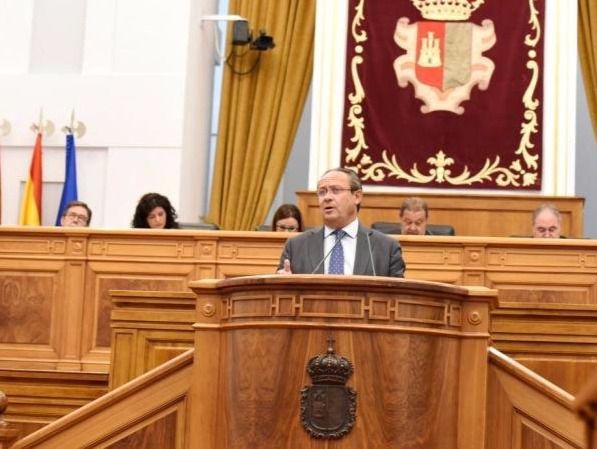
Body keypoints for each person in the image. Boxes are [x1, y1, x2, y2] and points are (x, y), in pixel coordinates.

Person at [277, 168, 405, 276]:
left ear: (357, 196)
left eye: (336, 190)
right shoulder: (296, 246)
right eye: (322, 192)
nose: (327, 197)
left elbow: (398, 299)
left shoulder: (387, 248)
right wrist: (283, 284)